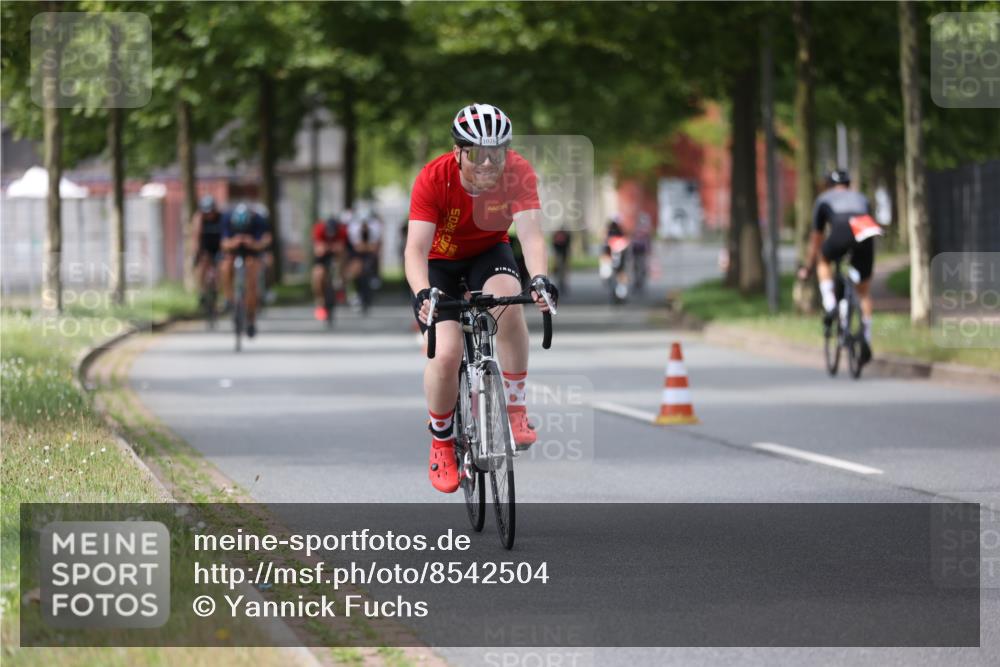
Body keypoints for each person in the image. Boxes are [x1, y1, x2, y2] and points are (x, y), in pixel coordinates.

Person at [405, 102, 558, 494]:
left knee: (508, 304)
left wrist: (540, 279)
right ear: (457, 152)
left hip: (489, 252)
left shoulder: (519, 173)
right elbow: (415, 249)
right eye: (476, 154)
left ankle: (516, 408)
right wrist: (422, 292)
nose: (488, 163)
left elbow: (532, 236)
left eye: (497, 153)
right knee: (446, 352)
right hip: (438, 264)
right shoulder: (433, 178)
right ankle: (442, 442)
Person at [798, 169, 883, 365]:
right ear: (849, 184)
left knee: (823, 260)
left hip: (841, 230)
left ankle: (830, 304)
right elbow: (870, 222)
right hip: (865, 230)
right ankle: (866, 337)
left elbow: (817, 238)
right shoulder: (861, 198)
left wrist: (808, 266)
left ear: (828, 185)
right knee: (863, 292)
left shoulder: (823, 199)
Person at [221, 203, 271, 338]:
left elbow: (265, 241)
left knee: (252, 275)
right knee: (225, 266)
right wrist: (234, 242)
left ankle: (251, 318)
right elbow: (224, 243)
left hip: (253, 253)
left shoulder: (258, 221)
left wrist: (253, 243)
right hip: (234, 252)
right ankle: (229, 299)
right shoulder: (227, 220)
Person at [311, 213, 349, 322]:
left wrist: (334, 249)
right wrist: (327, 248)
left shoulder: (342, 231)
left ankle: (341, 283)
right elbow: (318, 250)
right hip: (323, 256)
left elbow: (342, 248)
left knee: (343, 261)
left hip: (337, 255)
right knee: (317, 275)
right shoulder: (319, 229)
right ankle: (320, 300)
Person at [192, 195, 223, 306]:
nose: (209, 215)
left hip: (219, 247)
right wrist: (196, 254)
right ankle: (202, 292)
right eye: (206, 213)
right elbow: (196, 238)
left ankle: (217, 292)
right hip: (205, 247)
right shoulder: (199, 219)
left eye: (211, 212)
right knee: (202, 266)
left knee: (221, 268)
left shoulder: (221, 218)